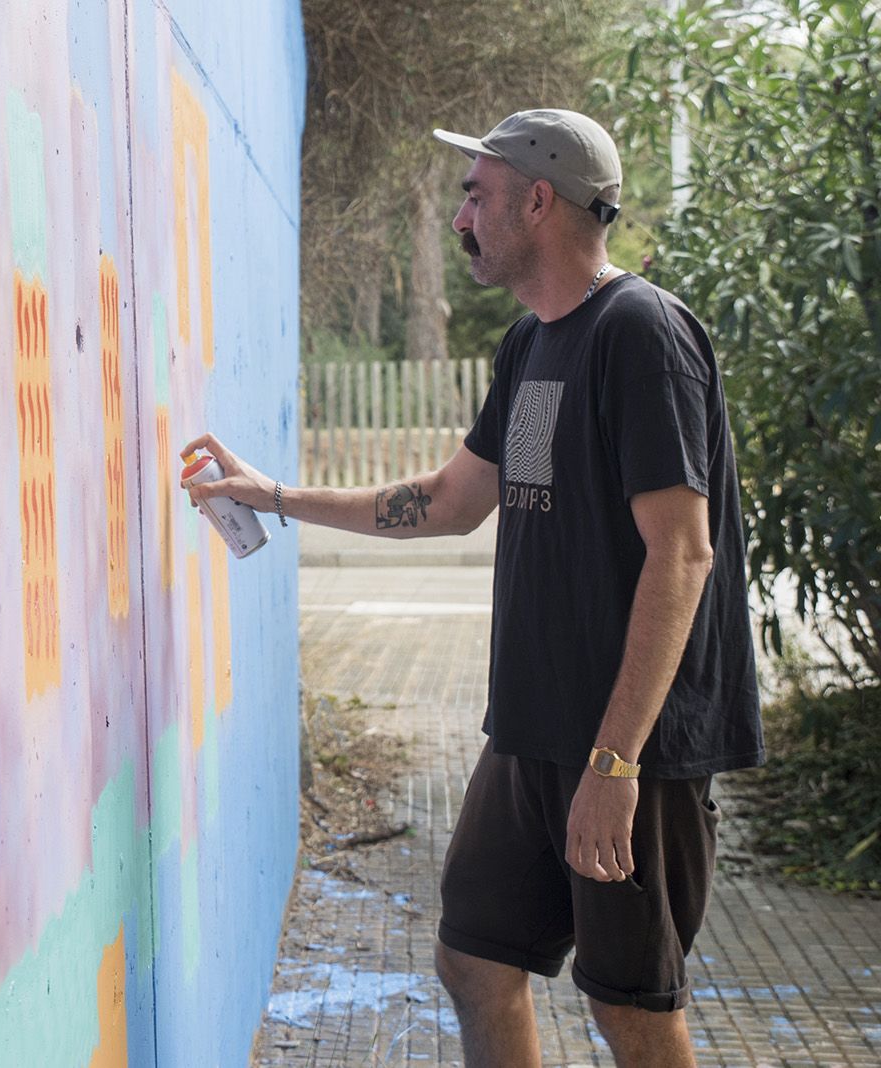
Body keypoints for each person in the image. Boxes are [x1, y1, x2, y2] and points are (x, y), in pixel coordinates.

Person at [184, 108, 763, 1067]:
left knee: (629, 1007)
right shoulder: (533, 345)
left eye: (475, 195)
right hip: (533, 731)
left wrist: (614, 765)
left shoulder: (640, 334)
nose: (461, 218)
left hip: (631, 748)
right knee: (475, 961)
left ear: (538, 202)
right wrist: (275, 496)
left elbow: (683, 554)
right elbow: (453, 501)